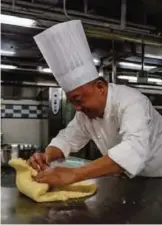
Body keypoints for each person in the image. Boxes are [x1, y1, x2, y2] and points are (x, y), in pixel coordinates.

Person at [29, 20, 162, 186]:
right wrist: (47, 156)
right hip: (126, 179)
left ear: (100, 87)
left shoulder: (132, 102)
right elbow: (67, 139)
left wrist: (74, 174)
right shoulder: (85, 115)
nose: (77, 108)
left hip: (156, 179)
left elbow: (133, 149)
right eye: (72, 102)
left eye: (78, 99)